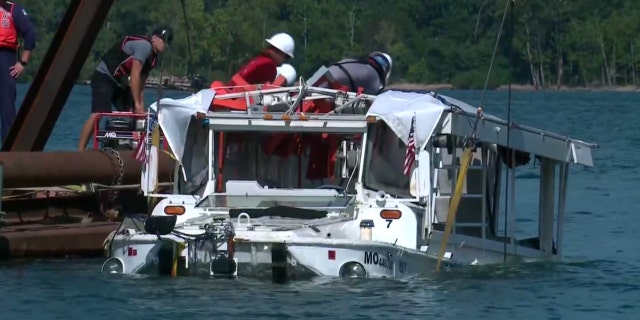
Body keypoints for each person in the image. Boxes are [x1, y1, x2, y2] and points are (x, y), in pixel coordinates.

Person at [77, 26, 173, 151]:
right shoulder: (144, 47)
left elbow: (140, 85)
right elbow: (134, 75)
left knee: (134, 112)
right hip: (104, 76)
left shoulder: (153, 59)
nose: (164, 44)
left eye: (167, 42)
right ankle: (80, 150)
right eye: (163, 40)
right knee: (98, 113)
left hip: (118, 82)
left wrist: (139, 107)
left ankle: (133, 148)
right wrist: (137, 104)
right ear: (154, 39)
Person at [0, 0, 36, 142]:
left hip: (5, 58)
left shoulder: (14, 10)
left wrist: (23, 62)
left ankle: (8, 149)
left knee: (7, 106)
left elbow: (30, 35)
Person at [216, 32, 295, 87]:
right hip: (241, 102)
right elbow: (264, 94)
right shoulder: (269, 66)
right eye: (286, 57)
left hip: (233, 93)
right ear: (279, 52)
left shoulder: (261, 60)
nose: (285, 61)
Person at [323, 51, 393, 95]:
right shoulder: (374, 77)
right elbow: (369, 102)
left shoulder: (353, 62)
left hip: (321, 77)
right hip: (329, 88)